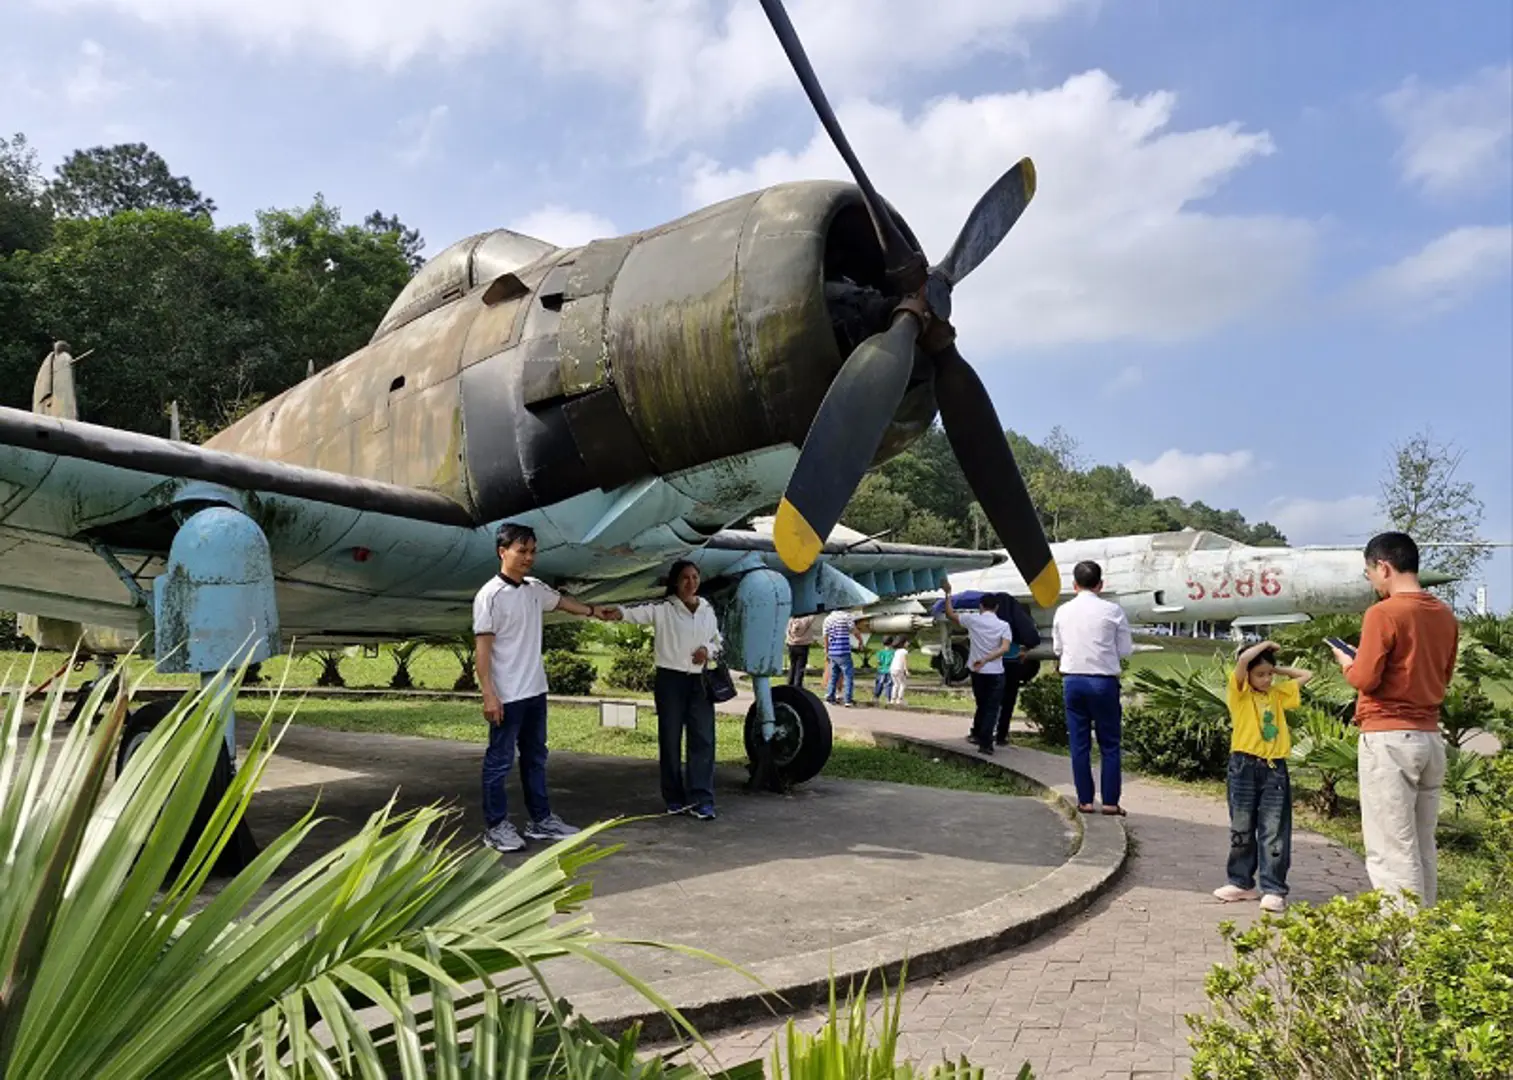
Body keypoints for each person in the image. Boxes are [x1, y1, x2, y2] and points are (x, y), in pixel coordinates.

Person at [1332, 531, 1458, 908]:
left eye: (1369, 572)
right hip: (1429, 738)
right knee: (1421, 847)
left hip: (1388, 739)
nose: (1371, 581)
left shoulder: (1383, 613)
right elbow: (1443, 675)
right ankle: (1428, 939)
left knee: (1390, 851)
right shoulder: (1445, 616)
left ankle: (1403, 947)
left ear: (1383, 567)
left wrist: (1347, 662)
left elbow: (1366, 678)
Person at [473, 523, 610, 853]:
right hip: (507, 696)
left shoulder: (534, 589)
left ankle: (541, 820)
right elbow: (483, 651)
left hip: (535, 691)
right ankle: (496, 827)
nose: (528, 557)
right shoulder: (489, 596)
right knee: (499, 762)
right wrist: (488, 693)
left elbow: (562, 603)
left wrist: (595, 612)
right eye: (521, 551)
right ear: (502, 552)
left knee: (535, 758)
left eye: (532, 551)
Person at [605, 560, 725, 820]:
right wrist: (613, 612)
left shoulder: (706, 609)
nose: (691, 583)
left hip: (699, 682)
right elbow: (636, 613)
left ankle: (701, 798)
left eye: (695, 577)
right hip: (671, 681)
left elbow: (717, 641)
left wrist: (708, 650)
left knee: (703, 739)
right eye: (685, 578)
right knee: (670, 740)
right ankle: (674, 798)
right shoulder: (664, 609)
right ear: (675, 582)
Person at [1214, 640, 1312, 912]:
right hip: (1243, 767)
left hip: (1273, 769)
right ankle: (1241, 882)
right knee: (1242, 827)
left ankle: (1273, 888)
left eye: (1269, 674)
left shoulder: (1278, 694)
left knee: (1273, 830)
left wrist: (1276, 669)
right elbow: (1244, 661)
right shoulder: (1239, 692)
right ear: (1247, 675)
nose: (1266, 679)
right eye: (1261, 674)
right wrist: (1265, 645)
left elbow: (1306, 676)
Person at [1052, 560, 1134, 814]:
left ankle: (1085, 800)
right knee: (1109, 744)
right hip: (1103, 680)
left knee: (1079, 744)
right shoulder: (1113, 611)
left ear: (1074, 585)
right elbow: (1124, 650)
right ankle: (1110, 801)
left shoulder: (1062, 611)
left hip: (1073, 679)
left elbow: (1057, 649)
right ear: (1101, 584)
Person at [942, 582, 1015, 755]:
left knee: (982, 704)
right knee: (992, 707)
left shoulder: (973, 620)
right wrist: (987, 659)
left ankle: (978, 734)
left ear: (981, 606)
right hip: (996, 672)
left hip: (977, 672)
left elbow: (950, 614)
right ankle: (986, 742)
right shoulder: (1004, 626)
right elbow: (1005, 648)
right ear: (996, 607)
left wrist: (948, 594)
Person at [823, 608, 861, 707]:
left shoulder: (828, 619)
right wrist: (860, 641)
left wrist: (827, 651)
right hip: (844, 651)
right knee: (848, 676)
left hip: (833, 651)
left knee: (834, 675)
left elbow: (825, 636)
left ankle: (830, 696)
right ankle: (848, 699)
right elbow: (854, 630)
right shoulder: (846, 617)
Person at [786, 609, 822, 687]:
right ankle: (797, 685)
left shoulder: (791, 620)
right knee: (800, 667)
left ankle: (789, 683)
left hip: (791, 644)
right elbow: (814, 614)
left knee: (792, 665)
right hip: (803, 645)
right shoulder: (807, 619)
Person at [873, 638, 895, 704]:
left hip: (881, 670)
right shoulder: (893, 653)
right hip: (889, 671)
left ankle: (876, 697)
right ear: (891, 643)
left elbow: (879, 661)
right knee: (889, 685)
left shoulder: (880, 652)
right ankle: (889, 699)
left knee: (879, 684)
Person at [888, 638, 910, 705]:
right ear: (903, 643)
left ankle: (893, 699)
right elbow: (905, 661)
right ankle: (900, 699)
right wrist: (906, 670)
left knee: (895, 684)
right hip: (899, 669)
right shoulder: (904, 651)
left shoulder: (896, 651)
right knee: (902, 684)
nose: (908, 643)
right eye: (907, 642)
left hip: (892, 669)